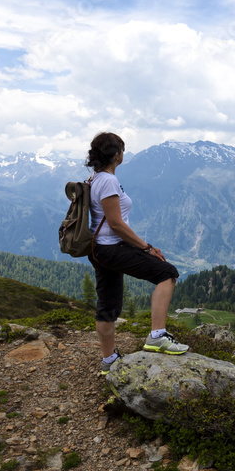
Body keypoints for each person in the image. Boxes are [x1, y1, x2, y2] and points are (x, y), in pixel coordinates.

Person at [84, 132, 189, 375]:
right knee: (167, 273)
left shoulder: (95, 178)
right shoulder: (108, 181)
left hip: (98, 248)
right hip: (111, 247)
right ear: (117, 155)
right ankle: (157, 335)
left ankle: (109, 360)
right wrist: (146, 247)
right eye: (122, 149)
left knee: (107, 304)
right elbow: (116, 224)